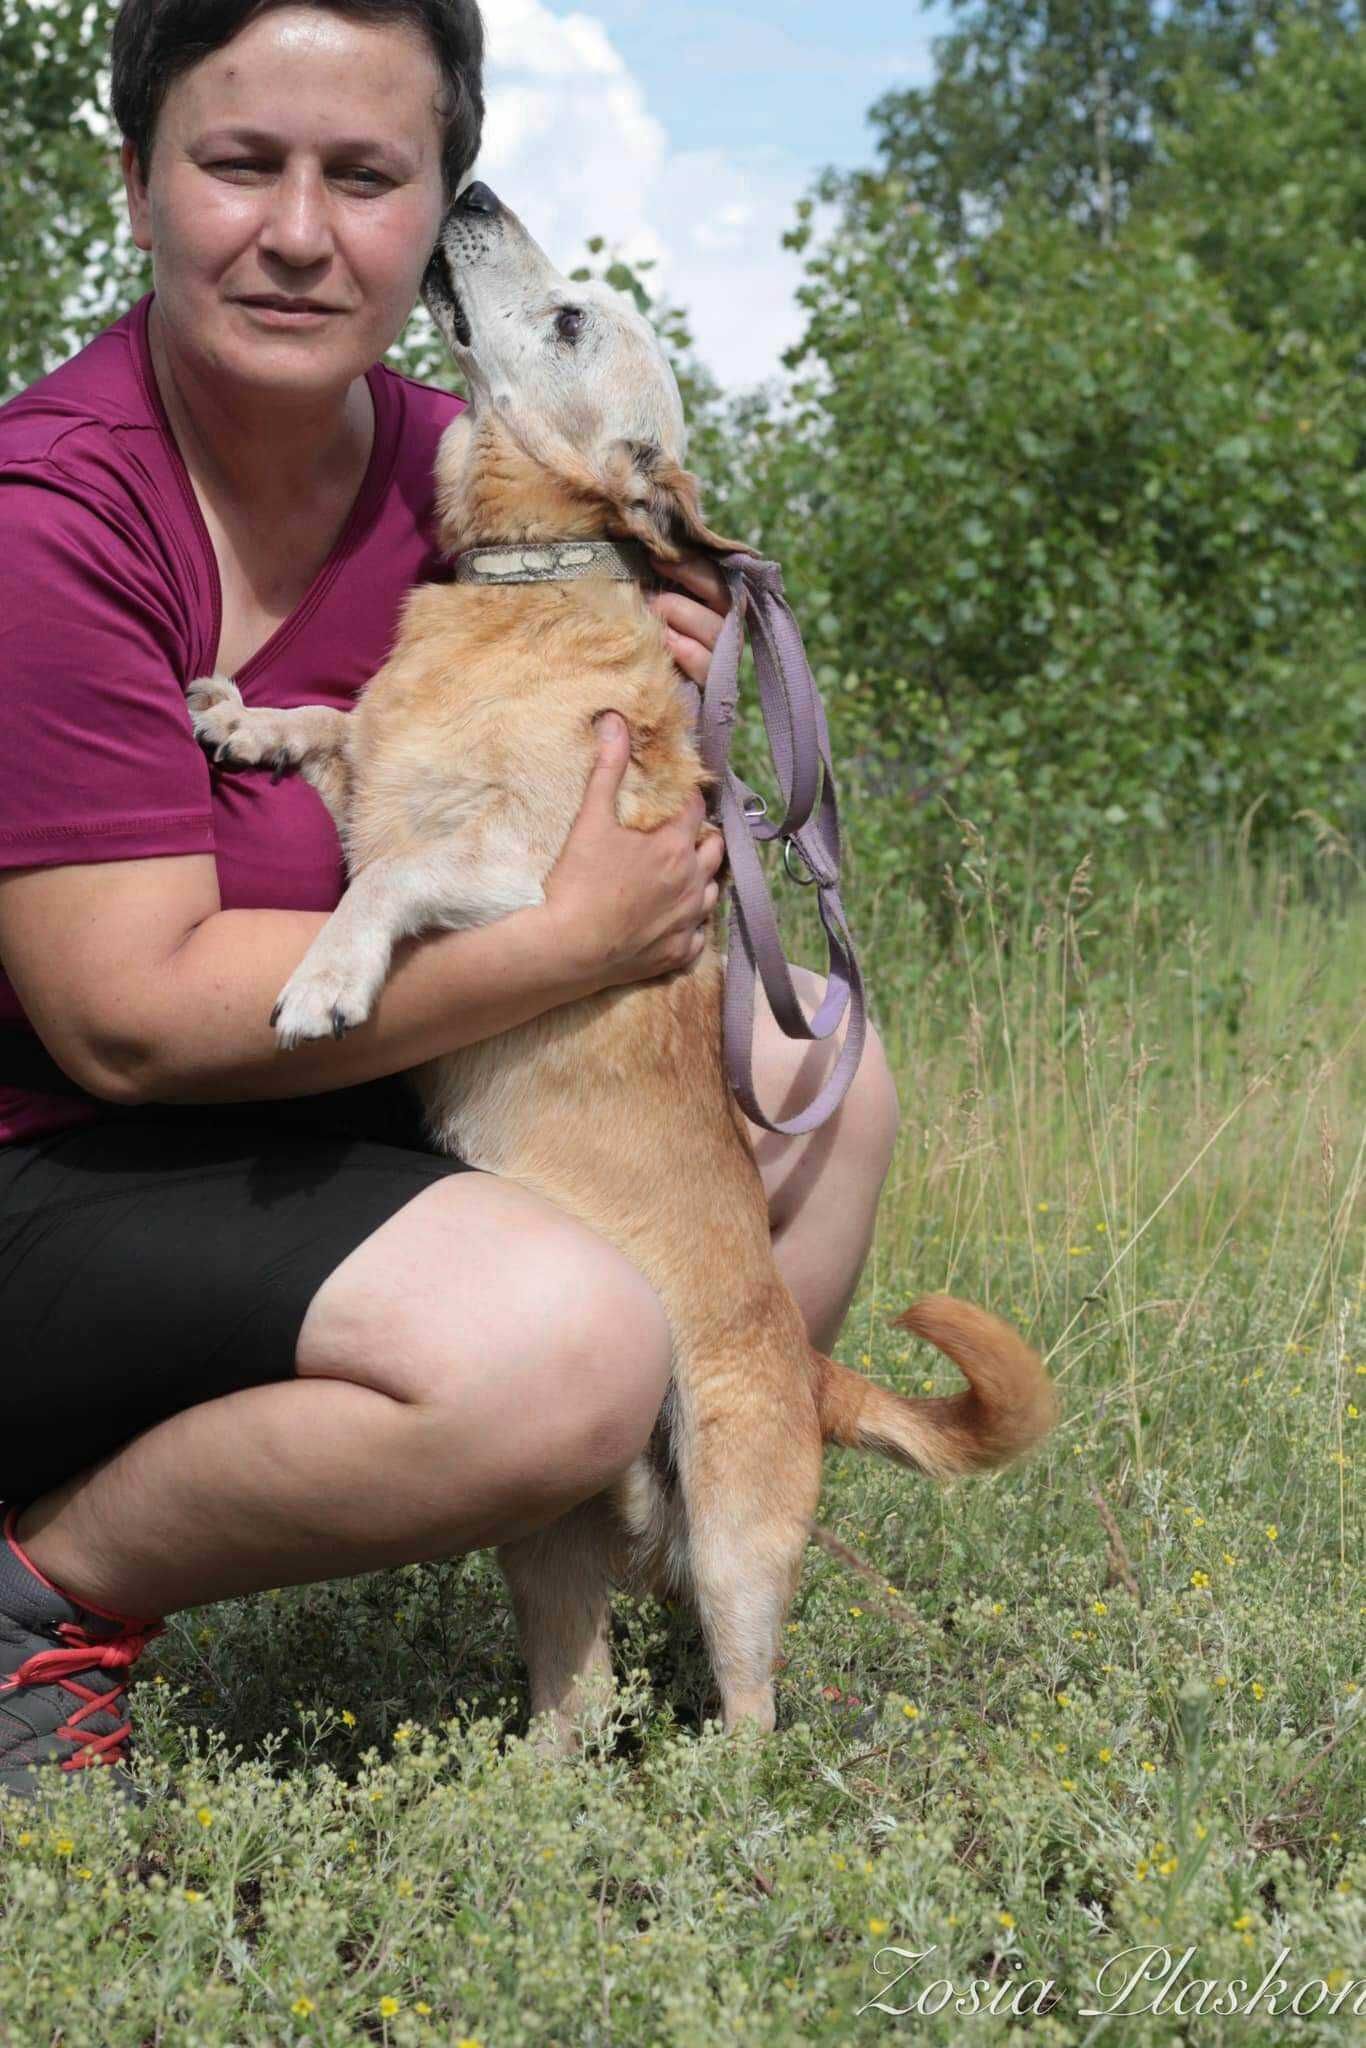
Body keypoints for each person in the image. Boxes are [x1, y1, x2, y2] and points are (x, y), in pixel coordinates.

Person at [0, 0, 899, 1805]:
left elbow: (618, 717)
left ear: (434, 215)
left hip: (338, 1107)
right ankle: (38, 1604)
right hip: (63, 1162)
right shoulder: (47, 513)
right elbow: (127, 1017)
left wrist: (665, 661)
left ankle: (626, 1560)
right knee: (564, 1346)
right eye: (240, 164)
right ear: (136, 186)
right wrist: (567, 941)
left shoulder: (472, 468)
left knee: (822, 1090)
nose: (302, 231)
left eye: (367, 174)